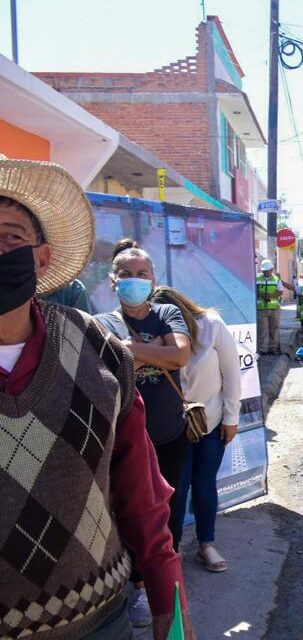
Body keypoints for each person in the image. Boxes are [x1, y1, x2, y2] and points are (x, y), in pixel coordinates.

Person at [0, 158, 194, 639]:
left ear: (42, 259)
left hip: (100, 622)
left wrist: (171, 606)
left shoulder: (98, 350)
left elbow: (142, 499)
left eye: (10, 236)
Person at [94, 246, 193, 627]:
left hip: (170, 433)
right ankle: (137, 585)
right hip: (126, 439)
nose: (135, 279)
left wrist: (132, 350)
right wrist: (158, 350)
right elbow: (112, 363)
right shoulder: (101, 322)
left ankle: (170, 586)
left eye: (142, 272)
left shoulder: (167, 313)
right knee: (131, 514)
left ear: (153, 278)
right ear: (113, 279)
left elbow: (181, 356)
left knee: (169, 512)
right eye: (126, 272)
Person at [151, 287, 241, 573]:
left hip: (211, 423)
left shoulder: (212, 326)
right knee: (176, 490)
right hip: (173, 428)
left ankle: (206, 545)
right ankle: (172, 552)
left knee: (204, 484)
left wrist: (231, 418)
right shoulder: (153, 337)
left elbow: (232, 374)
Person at [256, 259, 294, 355]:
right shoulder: (257, 279)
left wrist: (270, 296)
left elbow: (280, 291)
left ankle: (274, 348)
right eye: (264, 270)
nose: (266, 272)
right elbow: (254, 290)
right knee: (263, 329)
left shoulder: (276, 279)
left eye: (267, 270)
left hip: (274, 308)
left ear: (271, 269)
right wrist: (262, 294)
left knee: (275, 328)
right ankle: (263, 349)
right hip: (262, 308)